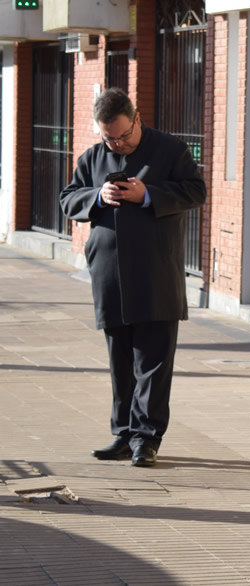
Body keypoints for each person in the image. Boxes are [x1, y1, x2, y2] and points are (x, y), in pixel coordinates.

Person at [59, 88, 206, 468]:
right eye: (109, 138)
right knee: (120, 361)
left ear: (137, 119)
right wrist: (97, 196)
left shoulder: (170, 149)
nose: (117, 143)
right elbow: (67, 198)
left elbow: (196, 190)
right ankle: (123, 435)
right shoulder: (93, 157)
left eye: (123, 135)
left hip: (156, 271)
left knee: (153, 362)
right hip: (111, 276)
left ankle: (147, 438)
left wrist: (146, 194)